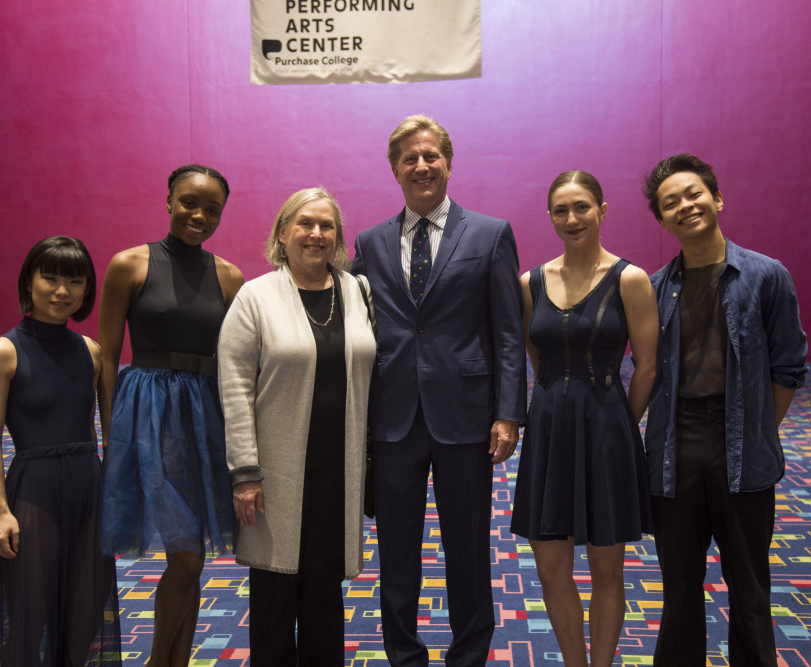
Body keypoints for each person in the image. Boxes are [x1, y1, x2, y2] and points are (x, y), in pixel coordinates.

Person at [352, 115, 526, 667]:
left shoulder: (490, 233)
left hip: (467, 416)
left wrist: (508, 414)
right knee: (395, 551)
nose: (421, 166)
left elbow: (507, 333)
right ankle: (404, 654)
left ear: (448, 163)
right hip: (394, 417)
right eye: (410, 158)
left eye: (431, 156)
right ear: (395, 169)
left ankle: (469, 654)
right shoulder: (369, 242)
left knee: (467, 548)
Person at [642, 154, 808, 666]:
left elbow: (788, 369)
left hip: (744, 448)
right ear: (662, 219)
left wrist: (754, 429)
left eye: (693, 194)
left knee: (751, 589)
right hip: (675, 444)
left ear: (716, 198)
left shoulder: (765, 276)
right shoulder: (654, 288)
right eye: (670, 203)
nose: (685, 207)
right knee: (680, 590)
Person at [217, 187, 376, 666]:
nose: (316, 234)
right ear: (282, 233)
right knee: (275, 594)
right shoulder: (256, 297)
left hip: (339, 470)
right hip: (277, 473)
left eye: (327, 226)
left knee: (326, 594)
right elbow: (235, 387)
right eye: (305, 224)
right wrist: (245, 471)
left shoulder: (356, 290)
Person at [509, 171, 658, 666]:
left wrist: (618, 425)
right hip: (549, 430)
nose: (572, 219)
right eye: (560, 210)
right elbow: (535, 357)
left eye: (581, 208)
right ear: (550, 216)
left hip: (607, 432)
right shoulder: (530, 282)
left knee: (605, 569)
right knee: (550, 566)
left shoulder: (630, 279)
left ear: (602, 209)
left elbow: (648, 367)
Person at [98, 165, 243, 667]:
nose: (198, 215)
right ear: (168, 201)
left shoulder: (230, 276)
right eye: (188, 202)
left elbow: (232, 362)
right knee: (186, 555)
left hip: (205, 417)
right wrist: (112, 435)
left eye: (212, 209)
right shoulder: (128, 265)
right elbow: (108, 357)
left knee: (192, 560)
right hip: (149, 417)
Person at [0, 236, 121, 665]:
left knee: (86, 607)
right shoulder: (2, 353)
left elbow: (109, 432)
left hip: (87, 486)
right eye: (50, 278)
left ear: (86, 290)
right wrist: (0, 511)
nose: (62, 291)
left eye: (74, 281)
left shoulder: (90, 351)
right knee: (31, 610)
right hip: (33, 490)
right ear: (29, 281)